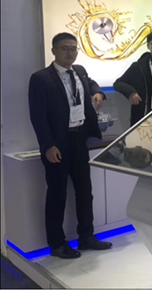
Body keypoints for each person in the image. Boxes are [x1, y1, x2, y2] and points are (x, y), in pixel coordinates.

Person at [28, 32, 112, 259]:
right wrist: (48, 145)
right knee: (57, 194)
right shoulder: (41, 78)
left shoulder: (80, 71)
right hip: (57, 143)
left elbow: (90, 82)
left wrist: (97, 92)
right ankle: (57, 244)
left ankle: (86, 236)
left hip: (79, 139)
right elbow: (37, 116)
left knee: (85, 191)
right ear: (54, 51)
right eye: (65, 48)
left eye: (74, 48)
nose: (70, 52)